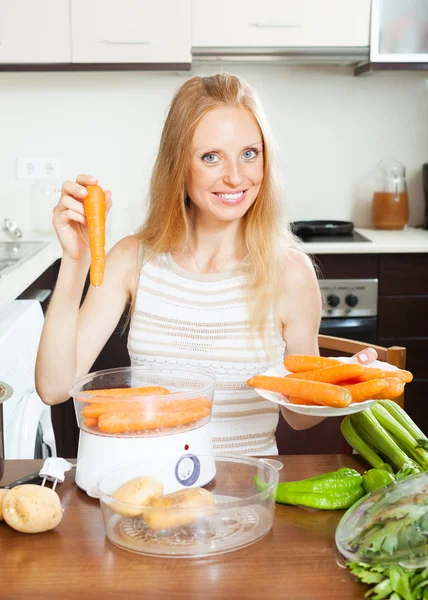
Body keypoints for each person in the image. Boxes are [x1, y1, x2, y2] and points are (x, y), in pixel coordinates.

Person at [35, 73, 376, 455]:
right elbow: (53, 387)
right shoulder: (134, 260)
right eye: (211, 157)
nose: (235, 176)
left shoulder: (290, 273)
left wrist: (341, 383)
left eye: (250, 153)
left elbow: (298, 418)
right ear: (179, 165)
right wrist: (76, 259)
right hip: (147, 490)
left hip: (247, 497)